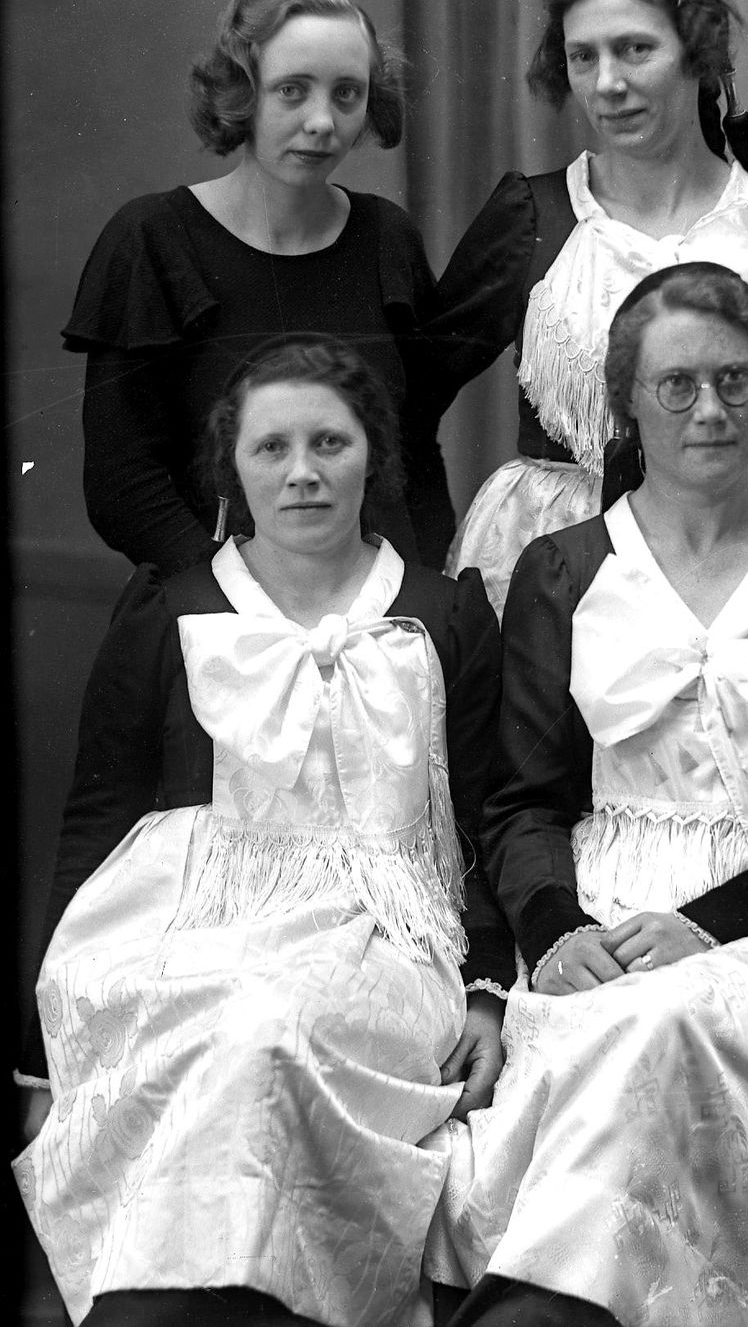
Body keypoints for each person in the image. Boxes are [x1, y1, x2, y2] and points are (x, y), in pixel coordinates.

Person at [430, 264, 748, 1327]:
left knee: (668, 1016)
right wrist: (555, 931)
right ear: (627, 404)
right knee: (627, 1019)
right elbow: (522, 801)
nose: (710, 409)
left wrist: (708, 927)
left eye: (735, 381)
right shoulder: (563, 570)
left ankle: (536, 1313)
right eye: (677, 385)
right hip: (597, 917)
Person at [14, 339, 513, 1327]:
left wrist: (489, 988)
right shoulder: (170, 609)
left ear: (373, 454)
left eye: (329, 442)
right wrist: (37, 1057)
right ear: (231, 468)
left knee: (268, 1026)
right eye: (271, 447)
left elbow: (487, 817)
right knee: (223, 1024)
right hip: (180, 923)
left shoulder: (443, 613)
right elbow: (96, 819)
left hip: (381, 936)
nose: (302, 472)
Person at [435, 0, 748, 617]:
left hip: (711, 566)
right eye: (583, 56)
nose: (608, 84)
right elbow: (402, 399)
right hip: (534, 578)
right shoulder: (533, 216)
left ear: (698, 50)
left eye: (636, 48)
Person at [64, 0, 455, 573]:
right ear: (243, 96)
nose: (322, 121)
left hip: (375, 605)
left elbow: (414, 452)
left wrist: (415, 590)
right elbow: (122, 484)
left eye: (347, 93)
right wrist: (243, 599)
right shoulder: (153, 239)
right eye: (292, 91)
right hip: (215, 607)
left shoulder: (387, 238)